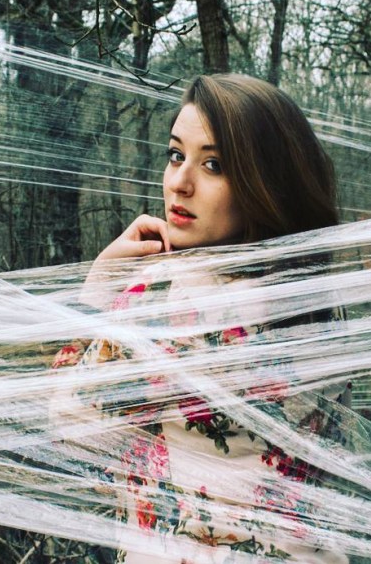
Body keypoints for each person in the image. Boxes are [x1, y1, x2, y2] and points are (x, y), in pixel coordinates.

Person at [53, 74, 349, 563]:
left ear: (264, 183)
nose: (180, 182)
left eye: (213, 165)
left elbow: (71, 427)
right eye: (176, 155)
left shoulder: (170, 302)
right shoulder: (316, 297)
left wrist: (98, 288)